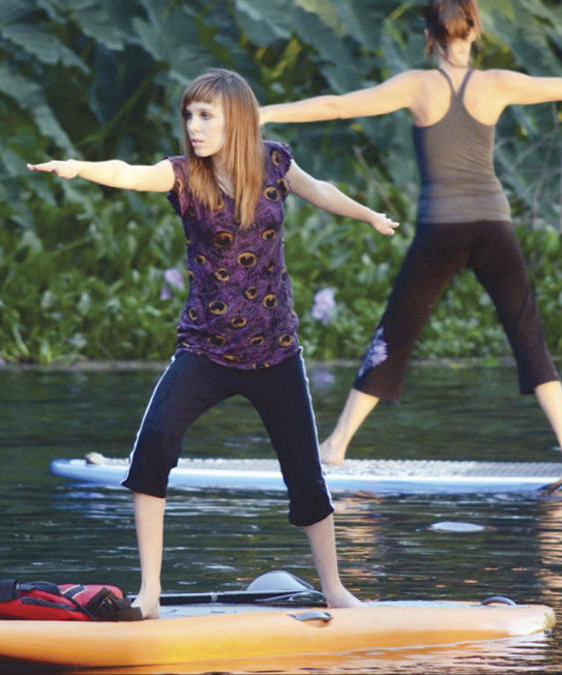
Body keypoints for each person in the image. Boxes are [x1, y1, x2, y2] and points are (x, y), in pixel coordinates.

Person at [260, 0, 562, 470]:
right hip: (493, 225)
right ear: (475, 33)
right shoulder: (496, 84)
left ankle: (337, 445)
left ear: (429, 37)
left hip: (440, 230)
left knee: (397, 333)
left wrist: (262, 112)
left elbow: (337, 106)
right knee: (526, 331)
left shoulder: (417, 85)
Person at [29, 69, 398, 619]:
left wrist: (369, 216)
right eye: (189, 115)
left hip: (276, 350)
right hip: (205, 350)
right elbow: (129, 173)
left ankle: (335, 588)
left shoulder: (274, 162)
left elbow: (318, 190)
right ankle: (149, 594)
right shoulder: (182, 176)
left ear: (237, 120)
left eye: (206, 116)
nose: (194, 127)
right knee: (152, 446)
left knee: (305, 471)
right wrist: (79, 168)